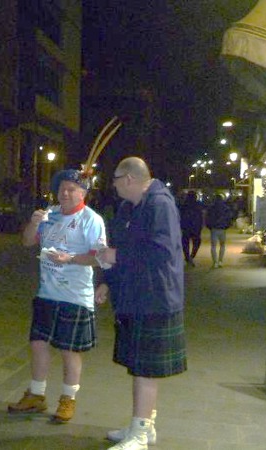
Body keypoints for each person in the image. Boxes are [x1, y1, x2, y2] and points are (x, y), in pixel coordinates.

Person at [96, 157, 187, 450]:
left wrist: (117, 256)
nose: (113, 186)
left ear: (129, 179)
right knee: (139, 366)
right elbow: (120, 246)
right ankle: (144, 425)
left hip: (155, 298)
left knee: (145, 369)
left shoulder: (160, 205)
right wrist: (108, 281)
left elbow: (161, 252)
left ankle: (140, 433)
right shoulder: (130, 207)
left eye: (115, 180)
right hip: (136, 296)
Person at [8, 169, 107, 423]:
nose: (65, 193)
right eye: (62, 188)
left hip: (75, 295)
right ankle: (36, 394)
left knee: (69, 350)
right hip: (46, 292)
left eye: (72, 189)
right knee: (38, 344)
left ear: (83, 193)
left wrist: (70, 258)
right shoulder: (49, 214)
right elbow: (27, 242)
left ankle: (68, 399)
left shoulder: (91, 219)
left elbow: (99, 256)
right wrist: (34, 224)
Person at [206, 194, 233, 268]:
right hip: (222, 228)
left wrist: (209, 226)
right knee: (222, 245)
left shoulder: (211, 208)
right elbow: (229, 218)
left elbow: (207, 218)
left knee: (213, 246)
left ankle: (215, 262)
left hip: (214, 229)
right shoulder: (226, 208)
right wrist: (227, 226)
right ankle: (220, 261)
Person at [179, 191, 203, 267]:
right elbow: (200, 216)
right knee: (196, 242)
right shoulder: (198, 205)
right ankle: (191, 256)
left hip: (186, 226)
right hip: (195, 227)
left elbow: (180, 215)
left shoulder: (184, 205)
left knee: (185, 243)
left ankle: (187, 257)